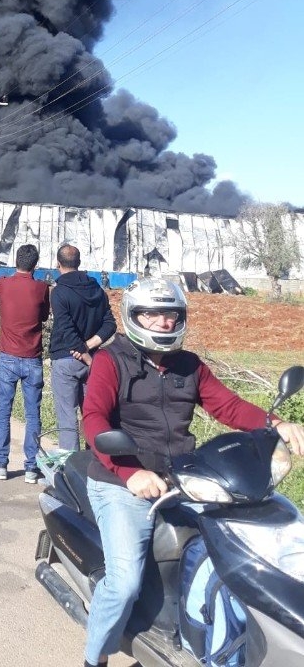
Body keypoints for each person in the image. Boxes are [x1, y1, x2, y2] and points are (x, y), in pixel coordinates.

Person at [81, 278, 304, 667]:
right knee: (124, 583)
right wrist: (129, 472)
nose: (163, 322)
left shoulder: (190, 365)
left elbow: (228, 406)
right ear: (133, 316)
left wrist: (275, 423)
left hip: (179, 478)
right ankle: (94, 658)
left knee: (239, 547)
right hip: (121, 480)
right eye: (152, 313)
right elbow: (94, 419)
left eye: (171, 314)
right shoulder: (110, 360)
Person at [0, 243, 50, 483]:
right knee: (32, 414)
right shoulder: (42, 288)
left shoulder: (2, 284)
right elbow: (44, 316)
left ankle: (0, 465)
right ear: (36, 264)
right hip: (32, 358)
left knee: (4, 411)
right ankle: (31, 468)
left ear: (16, 261)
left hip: (7, 357)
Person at [50, 244, 116, 451]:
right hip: (93, 362)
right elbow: (110, 324)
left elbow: (66, 330)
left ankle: (70, 469)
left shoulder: (59, 292)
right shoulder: (97, 290)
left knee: (67, 417)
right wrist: (91, 347)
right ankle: (95, 464)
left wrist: (84, 353)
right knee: (93, 415)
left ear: (58, 263)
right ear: (79, 263)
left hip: (66, 360)